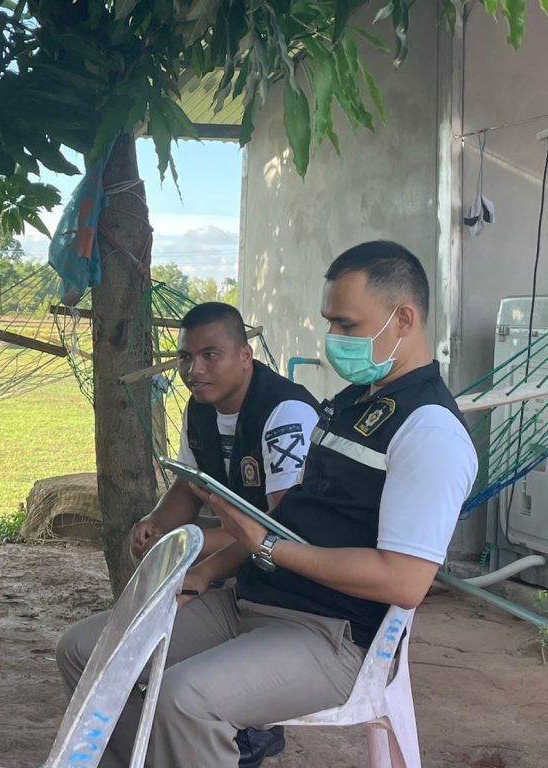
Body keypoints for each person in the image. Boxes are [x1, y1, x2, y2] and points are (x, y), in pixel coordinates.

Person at [57, 241, 478, 768]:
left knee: (184, 701)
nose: (333, 339)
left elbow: (404, 582)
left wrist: (269, 548)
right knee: (86, 652)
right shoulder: (351, 404)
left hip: (333, 634)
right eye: (330, 323)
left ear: (404, 320)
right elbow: (289, 516)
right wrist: (208, 572)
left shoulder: (429, 430)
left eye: (346, 325)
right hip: (250, 601)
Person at [129, 302, 320, 766]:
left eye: (210, 355)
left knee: (184, 684)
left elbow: (283, 528)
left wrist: (199, 552)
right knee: (132, 636)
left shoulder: (286, 412)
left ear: (245, 356)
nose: (194, 370)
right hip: (243, 554)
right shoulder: (200, 410)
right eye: (185, 357)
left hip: (293, 576)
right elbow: (188, 485)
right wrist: (157, 525)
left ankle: (250, 730)